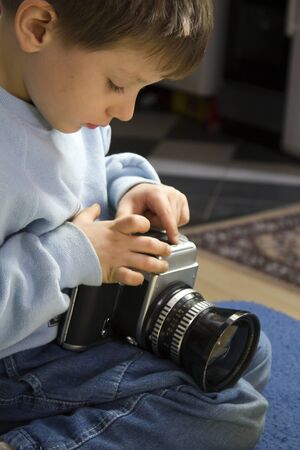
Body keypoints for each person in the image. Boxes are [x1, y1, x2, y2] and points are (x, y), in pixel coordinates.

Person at [0, 1, 271, 449]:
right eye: (118, 83)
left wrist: (129, 187)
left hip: (75, 331)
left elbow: (76, 178)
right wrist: (72, 255)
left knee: (243, 352)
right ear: (38, 27)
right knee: (228, 413)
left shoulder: (59, 98)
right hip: (18, 360)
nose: (126, 111)